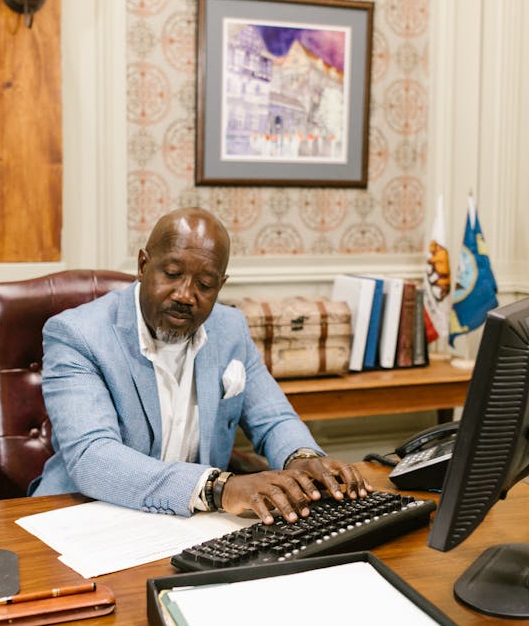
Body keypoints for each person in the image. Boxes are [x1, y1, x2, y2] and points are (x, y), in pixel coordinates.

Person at [31, 207, 371, 524]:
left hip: (189, 523)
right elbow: (92, 457)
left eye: (205, 284)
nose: (185, 294)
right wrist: (218, 488)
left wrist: (303, 458)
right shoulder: (78, 334)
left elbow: (273, 418)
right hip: (85, 516)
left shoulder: (230, 328)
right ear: (143, 265)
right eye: (172, 274)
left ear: (220, 285)